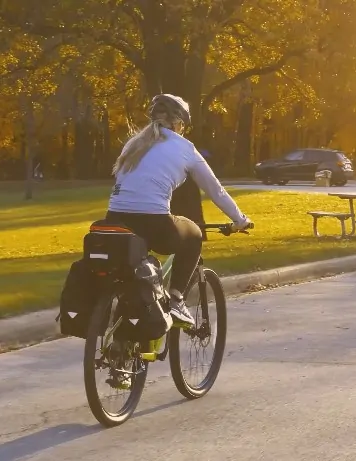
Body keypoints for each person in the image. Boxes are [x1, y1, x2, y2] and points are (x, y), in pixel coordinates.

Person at [105, 93, 251, 327]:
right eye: (182, 124)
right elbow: (216, 190)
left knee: (131, 271)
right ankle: (176, 300)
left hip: (114, 220)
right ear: (177, 123)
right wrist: (240, 219)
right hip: (154, 224)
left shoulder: (133, 143)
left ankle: (123, 342)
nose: (183, 129)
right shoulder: (185, 148)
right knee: (193, 234)